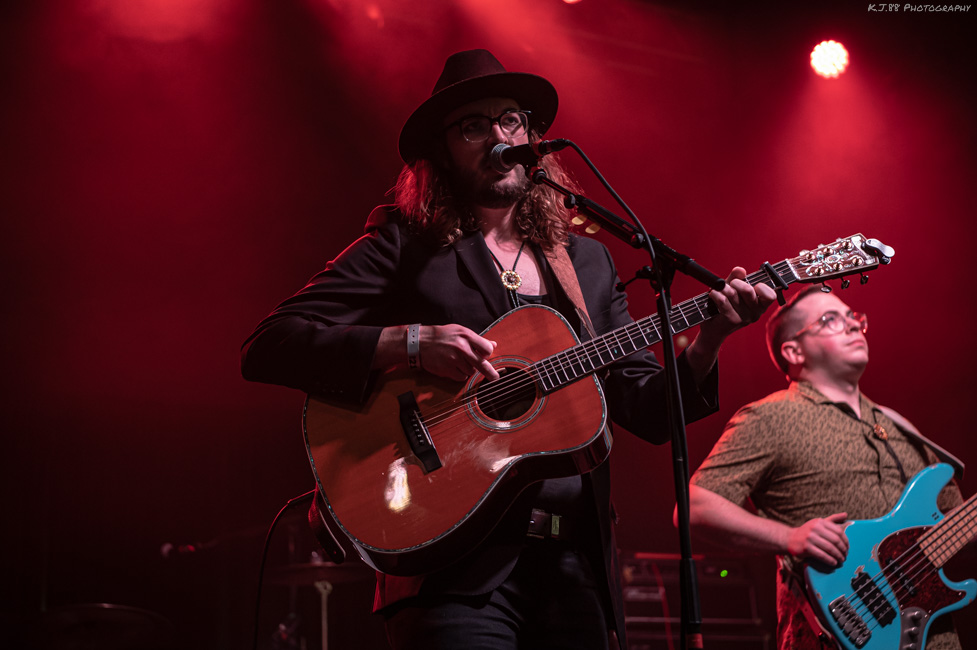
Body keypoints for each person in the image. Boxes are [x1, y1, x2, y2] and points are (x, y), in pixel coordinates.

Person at [242, 49, 776, 650]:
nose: (498, 136)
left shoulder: (587, 263)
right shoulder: (404, 242)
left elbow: (648, 411)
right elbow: (271, 345)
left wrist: (711, 338)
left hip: (574, 568)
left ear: (532, 137)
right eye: (474, 125)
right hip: (451, 572)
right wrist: (411, 343)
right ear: (443, 150)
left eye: (511, 121)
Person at [684, 285, 965, 649]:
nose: (851, 326)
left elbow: (959, 527)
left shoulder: (903, 429)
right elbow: (696, 506)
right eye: (830, 320)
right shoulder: (770, 417)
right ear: (793, 350)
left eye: (853, 318)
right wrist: (789, 537)